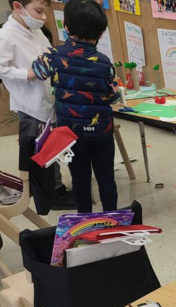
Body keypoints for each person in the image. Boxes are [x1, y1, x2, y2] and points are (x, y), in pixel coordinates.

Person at [31, 0, 118, 213]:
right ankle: (111, 221)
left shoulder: (54, 55)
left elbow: (38, 70)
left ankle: (85, 222)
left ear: (66, 27)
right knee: (106, 178)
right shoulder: (105, 62)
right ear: (102, 31)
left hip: (71, 134)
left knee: (80, 180)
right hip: (102, 132)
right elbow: (113, 96)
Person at [0, 0, 74, 214]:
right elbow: (2, 69)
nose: (42, 18)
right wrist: (27, 74)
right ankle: (53, 193)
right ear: (18, 7)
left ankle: (57, 188)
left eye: (44, 12)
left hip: (45, 98)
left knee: (52, 146)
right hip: (28, 104)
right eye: (39, 11)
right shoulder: (6, 36)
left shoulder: (35, 31)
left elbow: (47, 54)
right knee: (42, 152)